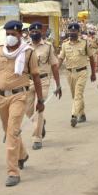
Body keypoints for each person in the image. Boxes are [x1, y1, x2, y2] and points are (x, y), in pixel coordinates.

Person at [0, 20, 44, 187]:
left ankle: (13, 171)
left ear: (20, 34)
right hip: (1, 98)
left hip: (19, 96)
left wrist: (40, 100)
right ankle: (22, 154)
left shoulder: (28, 53)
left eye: (13, 34)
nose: (10, 37)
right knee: (7, 130)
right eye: (8, 34)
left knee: (12, 132)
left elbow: (36, 77)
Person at [25, 22, 61, 150]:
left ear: (42, 32)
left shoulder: (48, 47)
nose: (35, 33)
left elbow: (55, 66)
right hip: (28, 82)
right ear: (29, 33)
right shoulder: (24, 47)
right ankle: (40, 123)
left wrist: (58, 84)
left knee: (38, 108)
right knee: (28, 110)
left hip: (43, 81)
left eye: (37, 31)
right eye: (32, 31)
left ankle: (37, 138)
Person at [58, 22, 96, 127]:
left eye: (74, 31)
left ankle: (74, 116)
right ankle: (82, 114)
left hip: (82, 72)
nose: (72, 32)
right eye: (70, 31)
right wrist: (55, 70)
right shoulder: (65, 44)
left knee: (78, 94)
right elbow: (61, 58)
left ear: (78, 32)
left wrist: (93, 73)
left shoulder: (85, 43)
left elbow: (92, 58)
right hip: (69, 73)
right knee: (75, 95)